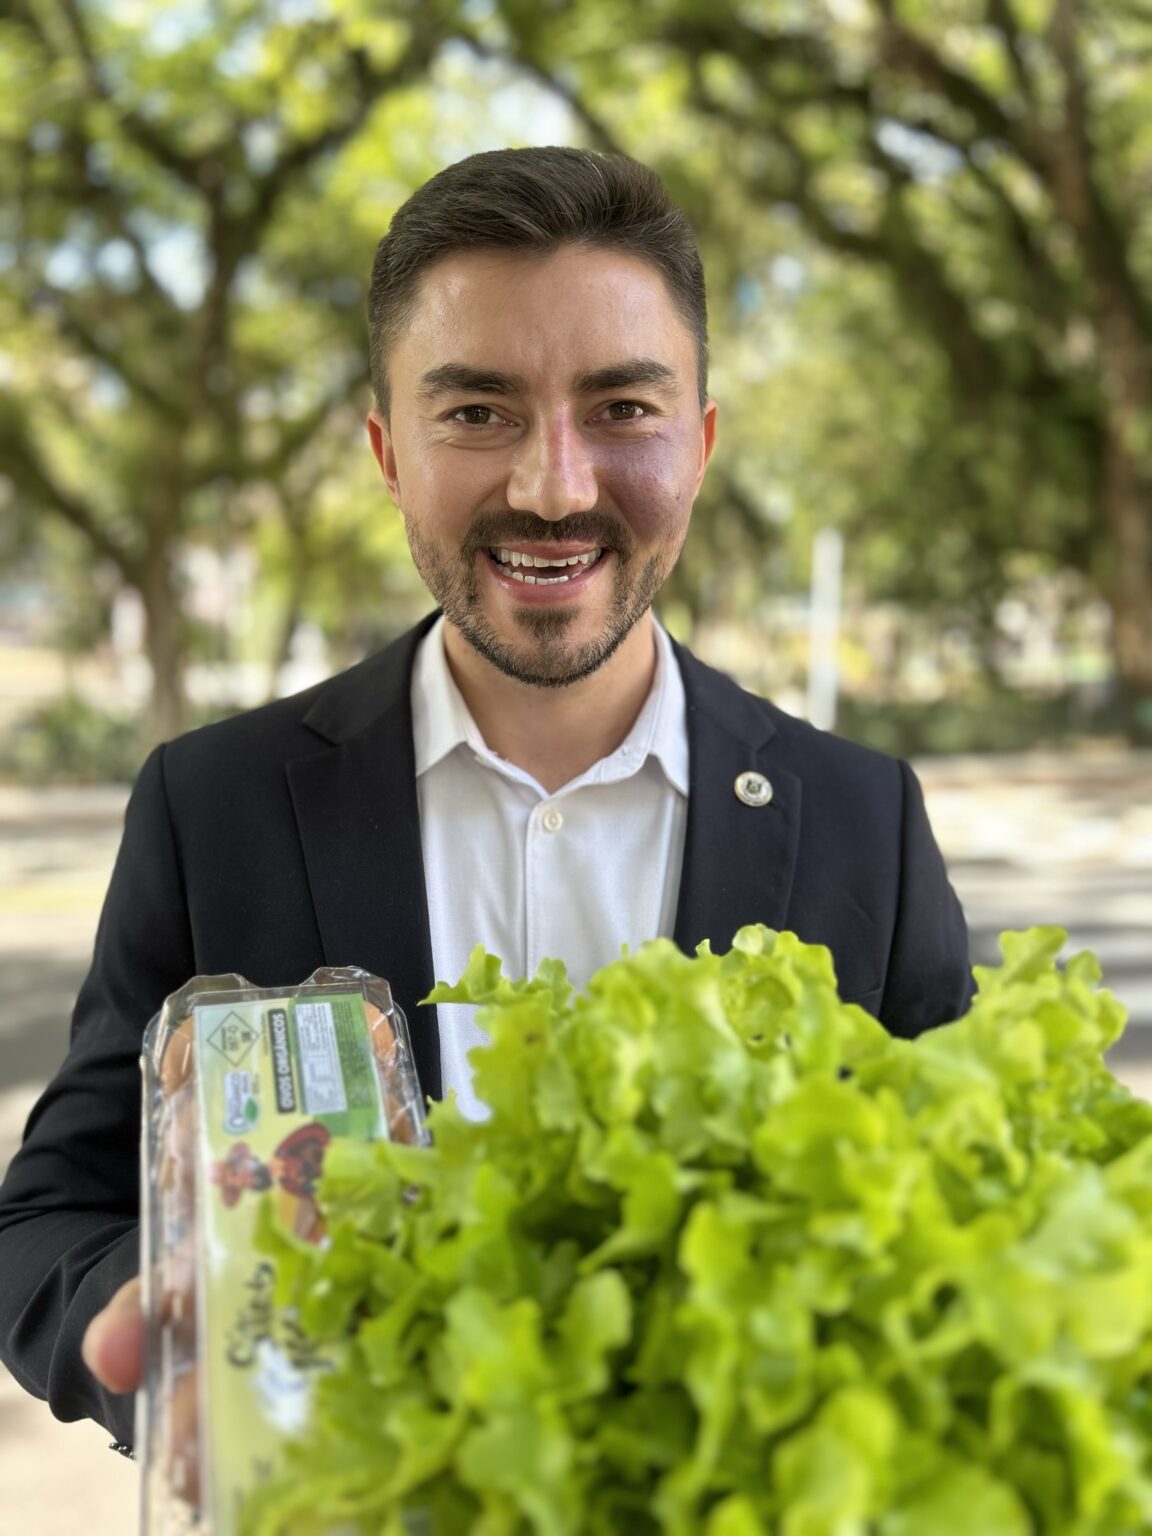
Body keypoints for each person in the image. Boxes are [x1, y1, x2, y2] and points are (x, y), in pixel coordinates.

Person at [0, 146, 973, 1451]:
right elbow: (51, 1213)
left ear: (703, 441)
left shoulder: (866, 821)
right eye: (478, 414)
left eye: (623, 409)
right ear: (389, 450)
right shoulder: (210, 805)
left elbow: (969, 1213)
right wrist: (152, 1336)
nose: (554, 486)